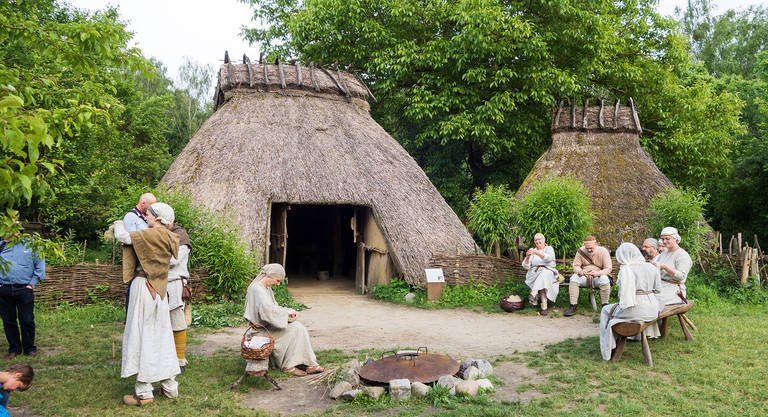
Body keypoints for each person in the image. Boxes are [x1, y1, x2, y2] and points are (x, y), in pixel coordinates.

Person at [113, 203, 181, 406]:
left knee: (142, 335)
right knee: (162, 335)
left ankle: (144, 393)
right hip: (160, 289)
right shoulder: (170, 236)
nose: (146, 218)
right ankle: (170, 387)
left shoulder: (150, 234)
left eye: (149, 215)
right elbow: (174, 263)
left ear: (157, 218)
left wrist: (117, 224)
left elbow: (124, 237)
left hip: (144, 287)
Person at [244, 264, 324, 376]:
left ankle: (310, 364)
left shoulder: (266, 288)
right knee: (295, 329)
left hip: (267, 326)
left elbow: (274, 308)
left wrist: (288, 311)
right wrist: (286, 314)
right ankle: (289, 366)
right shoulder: (257, 289)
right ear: (269, 276)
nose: (278, 283)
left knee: (299, 328)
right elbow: (268, 312)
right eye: (277, 280)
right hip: (260, 331)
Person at [599, 243, 662, 360]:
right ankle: (615, 341)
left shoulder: (625, 270)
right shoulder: (652, 267)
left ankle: (609, 347)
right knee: (612, 310)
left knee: (605, 310)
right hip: (653, 310)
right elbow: (658, 290)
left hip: (634, 309)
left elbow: (623, 297)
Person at [0, 234, 45, 359]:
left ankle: (29, 348)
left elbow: (40, 265)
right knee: (8, 321)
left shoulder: (33, 245)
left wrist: (31, 284)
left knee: (27, 320)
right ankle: (14, 349)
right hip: (4, 289)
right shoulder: (2, 245)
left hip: (24, 289)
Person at [564, 236, 613, 316]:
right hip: (584, 277)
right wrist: (580, 271)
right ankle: (573, 306)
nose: (589, 250)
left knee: (604, 279)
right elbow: (575, 266)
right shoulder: (580, 251)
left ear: (596, 244)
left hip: (598, 277)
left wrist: (598, 273)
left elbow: (608, 268)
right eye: (587, 248)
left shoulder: (603, 251)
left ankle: (605, 307)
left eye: (591, 248)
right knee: (574, 278)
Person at [167, 223, 191, 373]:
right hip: (159, 284)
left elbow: (173, 260)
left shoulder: (180, 236)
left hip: (175, 284)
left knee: (177, 322)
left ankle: (179, 361)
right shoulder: (156, 232)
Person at [652, 227, 692, 306]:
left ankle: (652, 317)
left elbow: (681, 277)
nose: (664, 241)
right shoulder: (664, 253)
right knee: (644, 296)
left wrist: (665, 267)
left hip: (675, 291)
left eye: (667, 238)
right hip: (661, 286)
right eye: (662, 239)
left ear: (675, 239)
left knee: (652, 299)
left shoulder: (682, 255)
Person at [521, 233, 559, 316]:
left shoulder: (549, 248)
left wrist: (536, 253)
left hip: (549, 272)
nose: (538, 241)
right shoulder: (532, 250)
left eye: (539, 239)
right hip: (535, 273)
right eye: (536, 240)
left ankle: (534, 292)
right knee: (542, 281)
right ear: (534, 242)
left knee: (545, 273)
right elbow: (525, 266)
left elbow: (549, 258)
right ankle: (544, 307)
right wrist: (527, 257)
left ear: (544, 240)